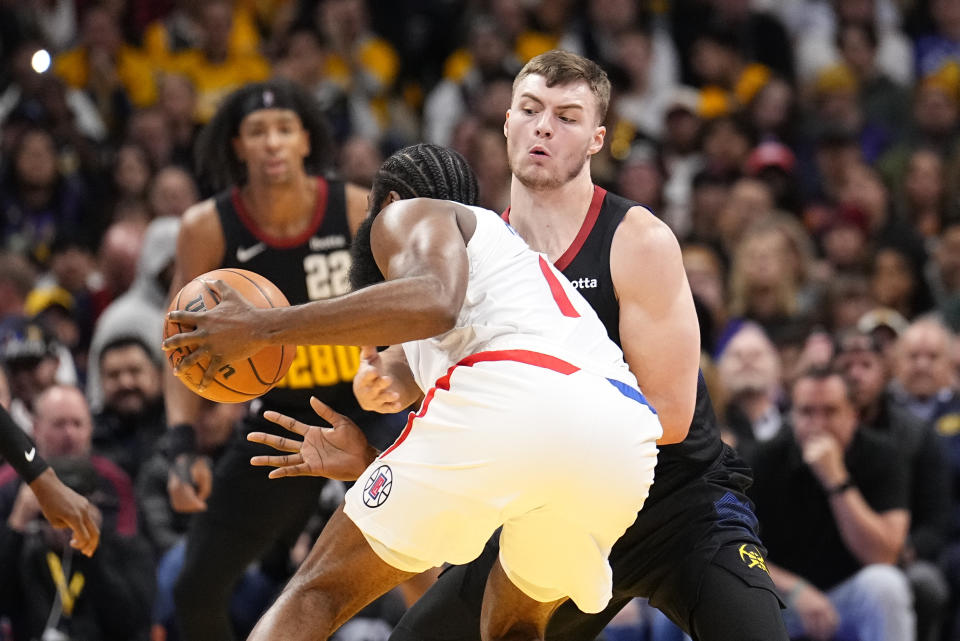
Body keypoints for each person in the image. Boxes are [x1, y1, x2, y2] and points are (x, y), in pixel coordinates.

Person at [162, 142, 662, 641]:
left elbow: (436, 302)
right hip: (620, 441)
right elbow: (497, 440)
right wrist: (373, 459)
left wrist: (262, 327)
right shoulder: (514, 272)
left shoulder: (407, 214)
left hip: (518, 393)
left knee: (318, 593)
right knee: (514, 627)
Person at [370, 50, 786, 641]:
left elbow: (669, 416)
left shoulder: (637, 238)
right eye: (531, 109)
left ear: (597, 139)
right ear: (507, 123)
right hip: (558, 514)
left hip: (677, 505)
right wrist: (399, 383)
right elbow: (455, 400)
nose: (544, 126)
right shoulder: (476, 254)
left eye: (567, 116)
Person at [162, 79, 382, 641]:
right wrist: (182, 443)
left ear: (307, 140)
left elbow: (409, 308)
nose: (273, 143)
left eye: (285, 129)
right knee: (195, 589)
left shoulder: (356, 206)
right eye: (257, 132)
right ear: (237, 146)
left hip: (376, 404)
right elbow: (182, 341)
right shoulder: (206, 227)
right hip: (285, 419)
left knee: (417, 567)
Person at [744, 367, 914, 641]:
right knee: (715, 594)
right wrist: (795, 589)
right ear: (792, 416)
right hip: (782, 600)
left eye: (831, 411)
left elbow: (884, 556)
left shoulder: (883, 456)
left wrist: (836, 481)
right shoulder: (761, 460)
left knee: (886, 584)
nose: (818, 424)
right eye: (807, 412)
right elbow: (734, 549)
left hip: (849, 598)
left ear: (854, 415)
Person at [0, 380, 99, 556]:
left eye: (77, 423)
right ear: (35, 428)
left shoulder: (111, 479)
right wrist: (17, 525)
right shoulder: (6, 483)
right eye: (59, 424)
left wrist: (101, 538)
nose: (69, 434)